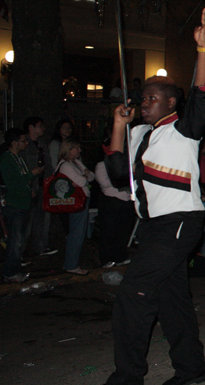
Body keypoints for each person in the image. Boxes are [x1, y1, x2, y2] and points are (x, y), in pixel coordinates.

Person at [87, 6, 205, 385]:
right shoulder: (142, 134)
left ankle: (127, 381)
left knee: (133, 295)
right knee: (170, 300)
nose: (144, 102)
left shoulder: (184, 128)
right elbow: (114, 168)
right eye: (142, 97)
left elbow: (203, 93)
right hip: (155, 226)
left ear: (172, 102)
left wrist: (202, 47)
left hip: (179, 222)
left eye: (152, 97)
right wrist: (119, 125)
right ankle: (191, 367)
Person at [0, 128, 44, 283]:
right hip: (15, 205)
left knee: (19, 239)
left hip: (23, 204)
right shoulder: (7, 159)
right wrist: (32, 174)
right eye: (23, 141)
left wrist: (29, 188)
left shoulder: (19, 158)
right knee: (15, 240)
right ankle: (10, 272)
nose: (26, 143)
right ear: (14, 142)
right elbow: (13, 182)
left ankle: (15, 269)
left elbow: (22, 180)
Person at [57, 138, 95, 275]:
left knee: (79, 232)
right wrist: (84, 176)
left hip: (82, 199)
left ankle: (72, 262)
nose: (79, 150)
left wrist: (85, 176)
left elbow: (91, 176)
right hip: (76, 201)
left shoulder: (75, 162)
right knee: (76, 233)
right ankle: (71, 264)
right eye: (76, 148)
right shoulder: (66, 165)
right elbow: (82, 181)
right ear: (69, 149)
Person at [21, 116, 54, 257]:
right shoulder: (23, 145)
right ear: (31, 127)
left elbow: (48, 165)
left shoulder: (42, 144)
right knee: (25, 223)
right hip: (30, 188)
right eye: (40, 126)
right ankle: (20, 252)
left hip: (43, 186)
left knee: (43, 219)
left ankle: (40, 247)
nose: (43, 129)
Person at [94, 157, 133, 268]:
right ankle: (106, 259)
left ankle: (120, 257)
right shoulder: (102, 164)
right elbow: (104, 182)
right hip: (110, 201)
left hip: (126, 201)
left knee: (124, 231)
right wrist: (123, 183)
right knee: (109, 231)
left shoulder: (126, 162)